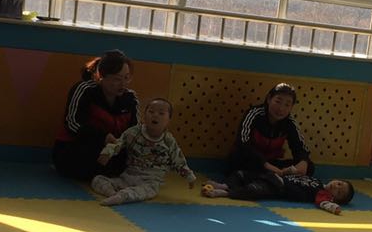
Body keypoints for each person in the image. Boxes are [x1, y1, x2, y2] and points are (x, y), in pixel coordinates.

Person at [52, 50, 138, 181]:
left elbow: (135, 130)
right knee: (87, 159)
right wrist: (103, 137)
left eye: (126, 78)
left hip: (111, 151)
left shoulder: (130, 98)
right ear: (102, 76)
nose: (123, 84)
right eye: (117, 79)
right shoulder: (85, 90)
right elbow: (72, 123)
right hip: (75, 148)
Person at [92, 98, 195, 206]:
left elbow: (179, 161)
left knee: (147, 191)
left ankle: (123, 196)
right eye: (151, 111)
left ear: (169, 120)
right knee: (97, 180)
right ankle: (111, 193)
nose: (155, 115)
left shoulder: (168, 141)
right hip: (128, 175)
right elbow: (119, 143)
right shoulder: (134, 132)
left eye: (161, 113)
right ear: (144, 115)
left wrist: (189, 176)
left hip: (151, 180)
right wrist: (107, 152)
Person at [229, 82, 313, 177]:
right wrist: (266, 165)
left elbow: (300, 147)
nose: (281, 109)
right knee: (238, 158)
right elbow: (243, 143)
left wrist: (303, 162)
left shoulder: (290, 122)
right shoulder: (254, 114)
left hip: (272, 162)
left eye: (287, 105)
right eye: (278, 101)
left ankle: (273, 177)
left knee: (309, 166)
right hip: (252, 161)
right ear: (269, 99)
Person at [202, 171, 354, 216]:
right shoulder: (317, 180)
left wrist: (333, 207)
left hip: (279, 188)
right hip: (277, 177)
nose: (336, 187)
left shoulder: (322, 194)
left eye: (339, 192)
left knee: (253, 189)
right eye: (339, 184)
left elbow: (323, 203)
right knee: (244, 174)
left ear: (334, 198)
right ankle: (225, 184)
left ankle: (224, 192)